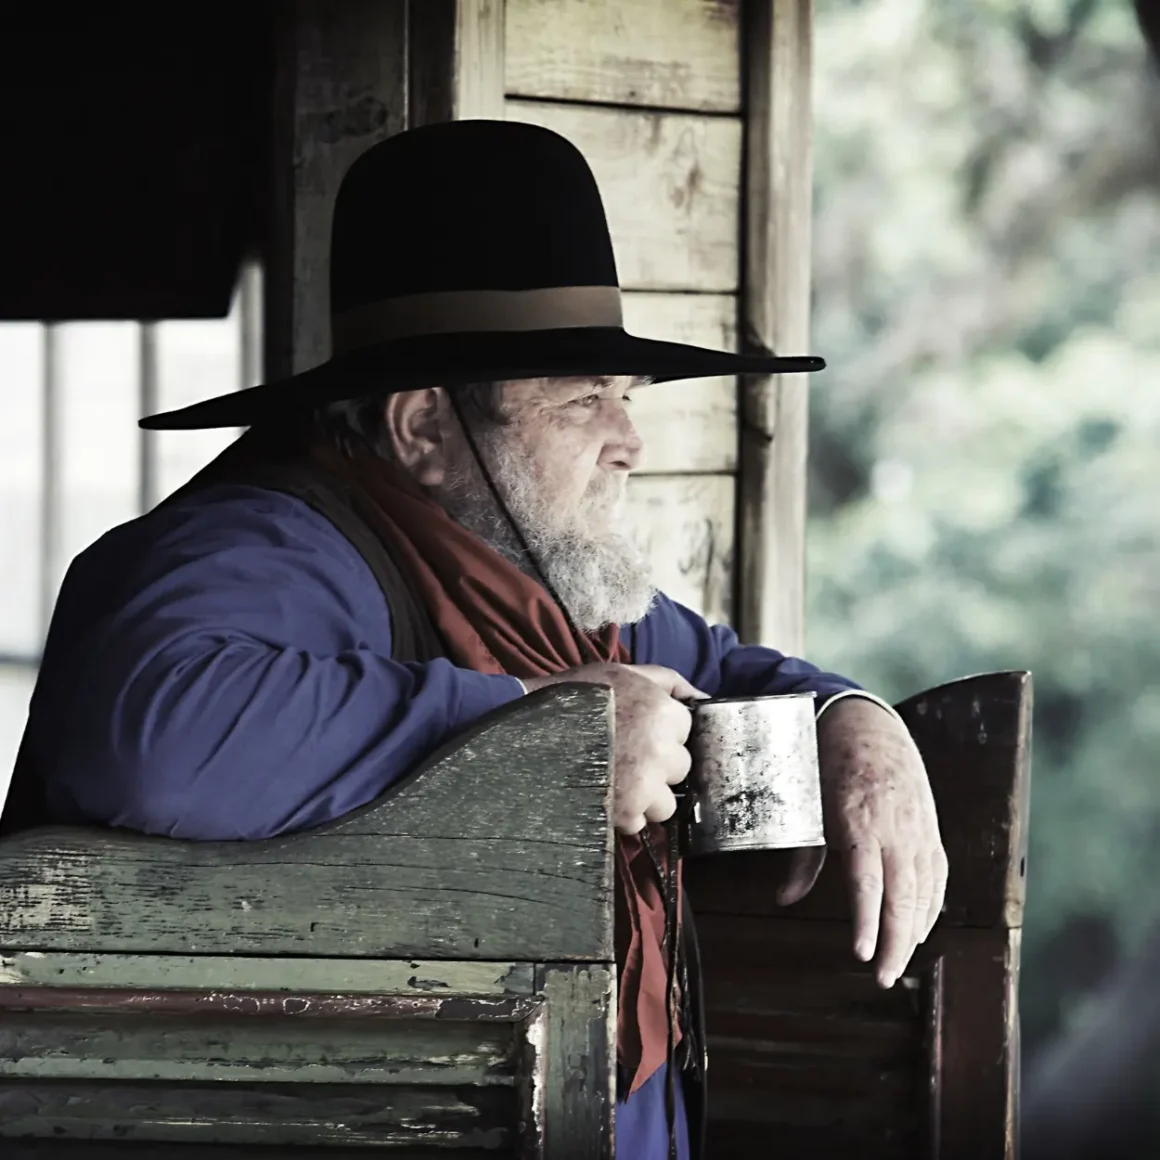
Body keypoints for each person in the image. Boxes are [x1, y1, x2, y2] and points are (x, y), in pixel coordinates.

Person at [7, 121, 946, 1160]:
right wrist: (561, 744)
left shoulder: (546, 565)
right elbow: (151, 738)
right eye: (582, 398)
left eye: (622, 397)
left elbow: (720, 669)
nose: (627, 441)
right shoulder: (270, 544)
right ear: (421, 427)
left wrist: (853, 724)